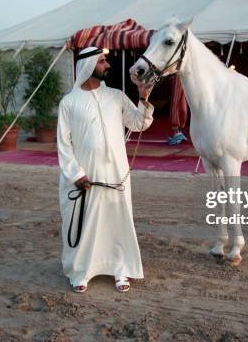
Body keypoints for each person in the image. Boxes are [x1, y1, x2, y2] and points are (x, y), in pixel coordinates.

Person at [57, 46, 154, 293]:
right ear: (89, 66)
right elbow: (63, 144)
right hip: (85, 176)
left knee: (117, 221)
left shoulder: (116, 96)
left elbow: (138, 123)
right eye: (102, 61)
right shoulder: (69, 102)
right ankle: (81, 271)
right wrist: (76, 175)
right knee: (85, 223)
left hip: (116, 173)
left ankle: (120, 268)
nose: (106, 65)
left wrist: (143, 98)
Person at [167, 75, 188, 145]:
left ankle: (177, 133)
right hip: (184, 72)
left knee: (176, 100)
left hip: (179, 72)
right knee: (182, 99)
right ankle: (179, 132)